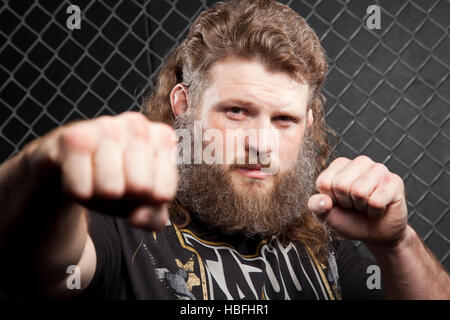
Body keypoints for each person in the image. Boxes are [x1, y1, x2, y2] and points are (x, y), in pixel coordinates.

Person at [0, 0, 448, 300]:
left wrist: (396, 244)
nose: (260, 145)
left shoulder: (320, 227)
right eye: (236, 111)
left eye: (284, 120)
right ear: (183, 104)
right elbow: (40, 268)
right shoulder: (124, 216)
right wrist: (47, 175)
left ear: (308, 124)